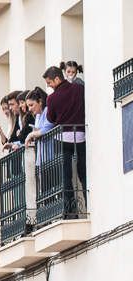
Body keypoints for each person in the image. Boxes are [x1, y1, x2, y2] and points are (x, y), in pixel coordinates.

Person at [43, 65, 87, 216]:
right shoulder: (79, 90)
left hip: (61, 139)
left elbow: (51, 118)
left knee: (65, 176)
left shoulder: (52, 98)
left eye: (49, 82)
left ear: (57, 79)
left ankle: (70, 210)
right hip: (80, 136)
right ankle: (88, 202)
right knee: (84, 174)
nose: (48, 86)